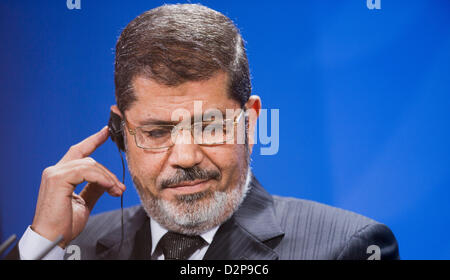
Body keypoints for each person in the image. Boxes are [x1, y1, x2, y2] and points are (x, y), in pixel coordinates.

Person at [6, 3, 399, 260]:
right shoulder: (69, 248)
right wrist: (41, 245)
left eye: (209, 126)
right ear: (121, 131)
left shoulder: (346, 247)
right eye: (157, 132)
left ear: (250, 120)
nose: (186, 156)